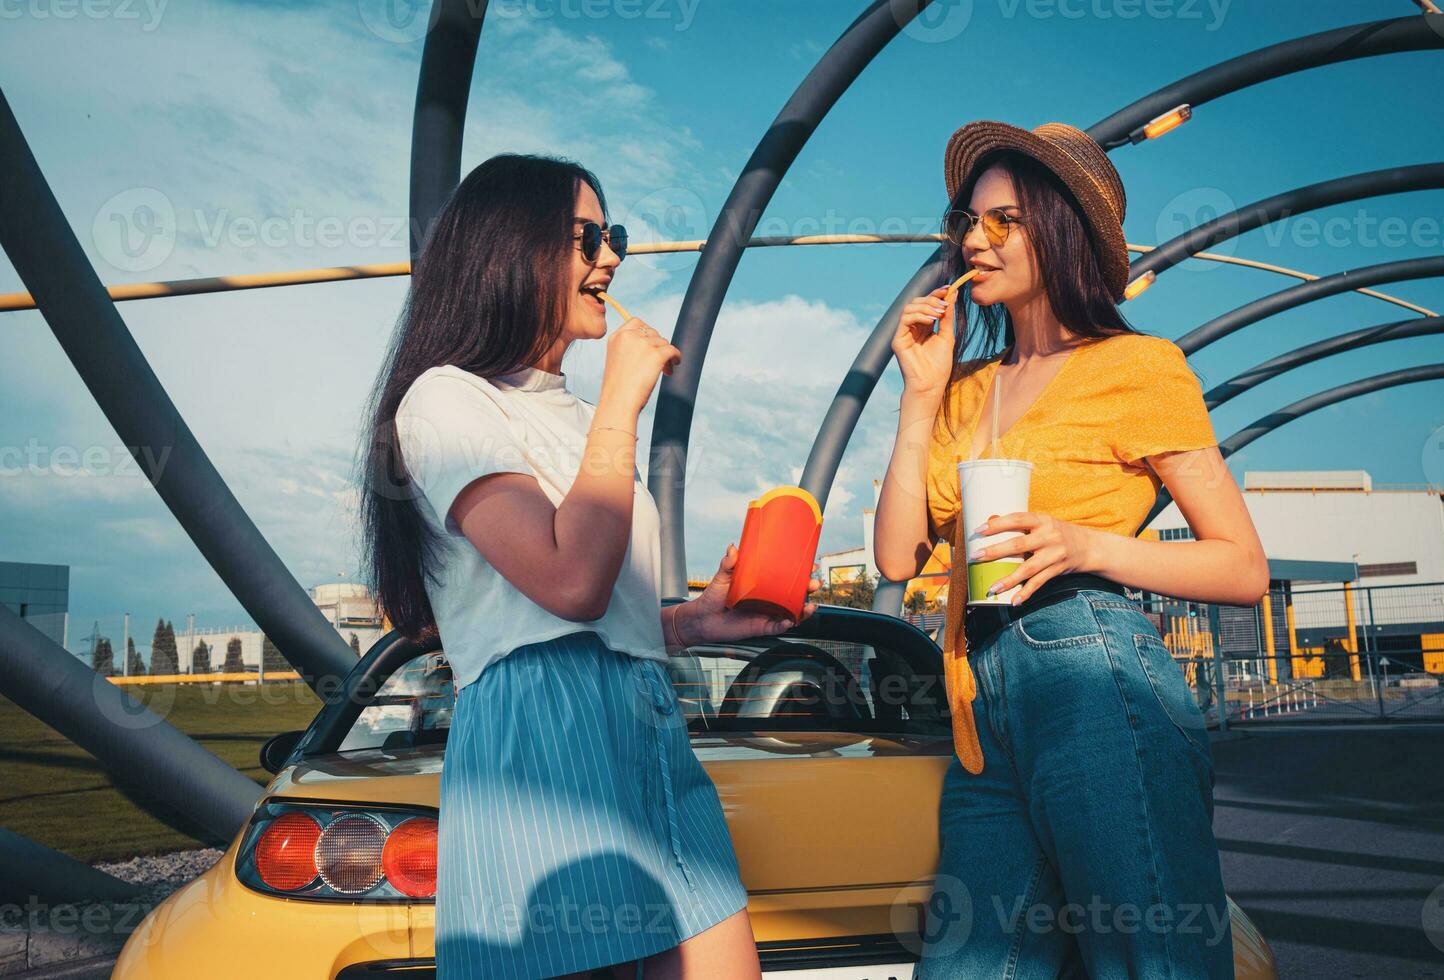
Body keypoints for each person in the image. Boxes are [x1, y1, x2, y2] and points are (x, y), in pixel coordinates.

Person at [359, 153, 817, 980]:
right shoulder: (445, 398)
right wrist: (619, 405)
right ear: (510, 248)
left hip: (645, 718)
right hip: (543, 735)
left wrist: (690, 622)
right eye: (590, 237)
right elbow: (568, 582)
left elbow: (594, 602)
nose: (611, 258)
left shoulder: (576, 414)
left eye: (617, 238)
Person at [873, 121, 1269, 978]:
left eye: (1002, 221)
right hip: (981, 716)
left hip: (1093, 673)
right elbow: (899, 558)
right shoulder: (963, 385)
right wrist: (918, 394)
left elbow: (1241, 566)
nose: (973, 241)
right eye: (967, 222)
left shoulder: (1139, 367)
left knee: (1151, 959)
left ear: (1063, 230)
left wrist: (1084, 543)